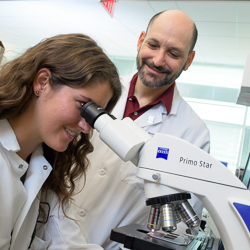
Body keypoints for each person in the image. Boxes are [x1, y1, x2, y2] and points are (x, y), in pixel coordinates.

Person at [50, 9, 210, 249]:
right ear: (140, 40)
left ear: (189, 60)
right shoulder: (95, 91)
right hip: (46, 233)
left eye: (174, 53)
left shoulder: (194, 134)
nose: (157, 60)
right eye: (153, 44)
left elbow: (176, 231)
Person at [0, 33, 121, 250]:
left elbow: (67, 242)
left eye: (93, 116)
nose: (86, 127)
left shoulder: (41, 164)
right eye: (83, 105)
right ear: (43, 82)